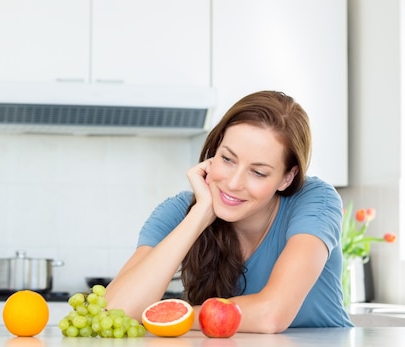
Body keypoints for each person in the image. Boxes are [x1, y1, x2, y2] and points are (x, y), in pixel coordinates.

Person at [105, 90, 353, 333]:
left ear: (287, 178)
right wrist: (200, 215)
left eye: (258, 172)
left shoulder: (316, 200)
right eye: (227, 159)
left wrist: (173, 315)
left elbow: (271, 314)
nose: (234, 183)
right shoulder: (181, 210)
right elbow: (117, 312)